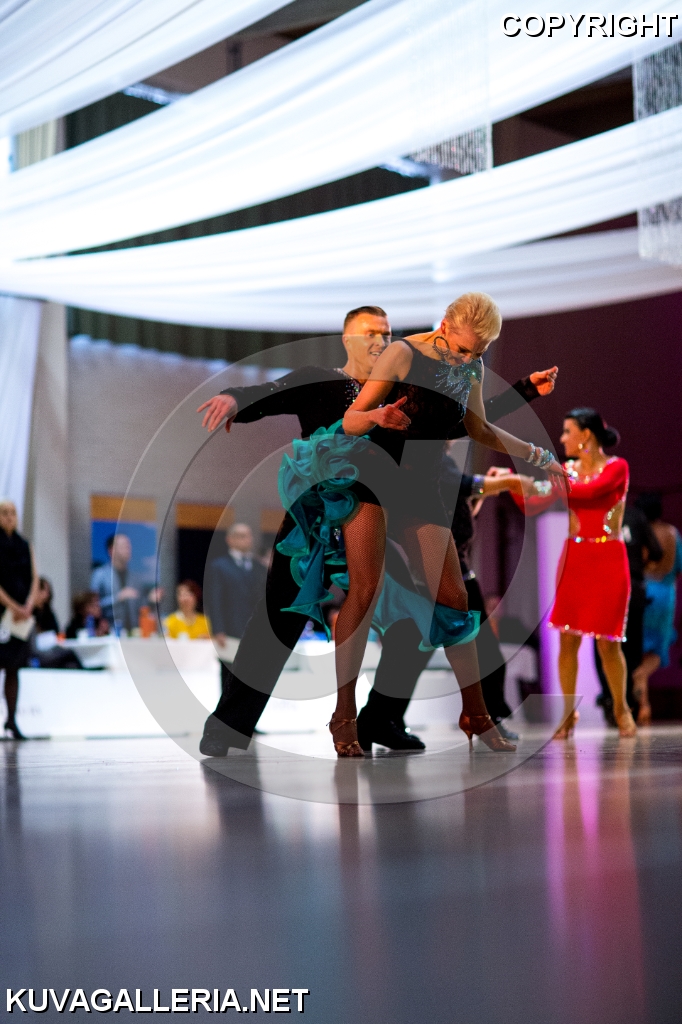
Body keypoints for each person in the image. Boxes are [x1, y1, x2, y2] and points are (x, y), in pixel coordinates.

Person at [197, 305, 559, 757]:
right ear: (347, 338)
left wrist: (524, 391)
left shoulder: (405, 381)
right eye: (370, 332)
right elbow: (270, 393)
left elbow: (461, 418)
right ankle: (229, 726)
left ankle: (381, 718)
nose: (380, 341)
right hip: (317, 521)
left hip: (381, 510)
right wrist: (234, 397)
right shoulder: (319, 379)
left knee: (412, 620)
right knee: (280, 619)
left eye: (386, 334)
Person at [334, 292, 565, 756]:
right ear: (444, 325)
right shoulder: (402, 353)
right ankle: (344, 716)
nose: (467, 358)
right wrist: (377, 414)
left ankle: (475, 715)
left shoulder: (472, 366)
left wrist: (536, 454)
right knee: (364, 591)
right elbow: (350, 420)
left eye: (479, 351)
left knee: (455, 599)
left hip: (420, 488)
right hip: (374, 479)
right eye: (462, 348)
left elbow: (477, 428)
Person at [512, 408, 637, 739]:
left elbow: (592, 492)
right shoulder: (565, 471)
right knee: (568, 640)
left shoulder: (617, 467)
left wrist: (555, 479)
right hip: (575, 560)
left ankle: (621, 708)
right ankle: (568, 713)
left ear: (586, 434)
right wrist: (511, 483)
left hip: (608, 559)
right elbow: (532, 504)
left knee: (608, 644)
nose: (562, 438)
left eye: (568, 431)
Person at [594, 502, 663, 726]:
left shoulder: (597, 514)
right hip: (633, 587)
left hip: (604, 588)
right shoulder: (636, 517)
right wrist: (641, 567)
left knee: (603, 647)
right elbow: (657, 552)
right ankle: (628, 704)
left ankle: (609, 698)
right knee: (632, 647)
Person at [631, 492, 682, 725]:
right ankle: (642, 687)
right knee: (657, 650)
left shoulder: (640, 532)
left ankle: (643, 702)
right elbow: (677, 566)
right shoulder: (672, 533)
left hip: (642, 591)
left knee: (637, 646)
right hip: (665, 594)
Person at [205, 524, 267, 693]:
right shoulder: (219, 566)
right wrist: (218, 629)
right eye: (241, 535)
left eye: (248, 535)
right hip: (230, 631)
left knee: (253, 678)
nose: (246, 539)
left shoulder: (260, 567)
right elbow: (214, 600)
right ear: (229, 539)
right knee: (230, 677)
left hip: (255, 631)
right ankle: (226, 709)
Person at [0, 499, 39, 740]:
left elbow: (34, 578)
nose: (9, 517)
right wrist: (12, 606)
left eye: (12, 513)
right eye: (4, 513)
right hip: (3, 613)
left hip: (20, 616)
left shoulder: (25, 545)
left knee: (14, 667)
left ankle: (12, 720)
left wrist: (28, 605)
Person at [90, 532, 162, 633]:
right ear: (111, 550)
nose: (128, 550)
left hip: (134, 632)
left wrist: (150, 600)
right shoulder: (100, 575)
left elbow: (141, 606)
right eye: (124, 546)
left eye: (129, 546)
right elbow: (92, 606)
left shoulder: (135, 578)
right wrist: (118, 598)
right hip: (108, 632)